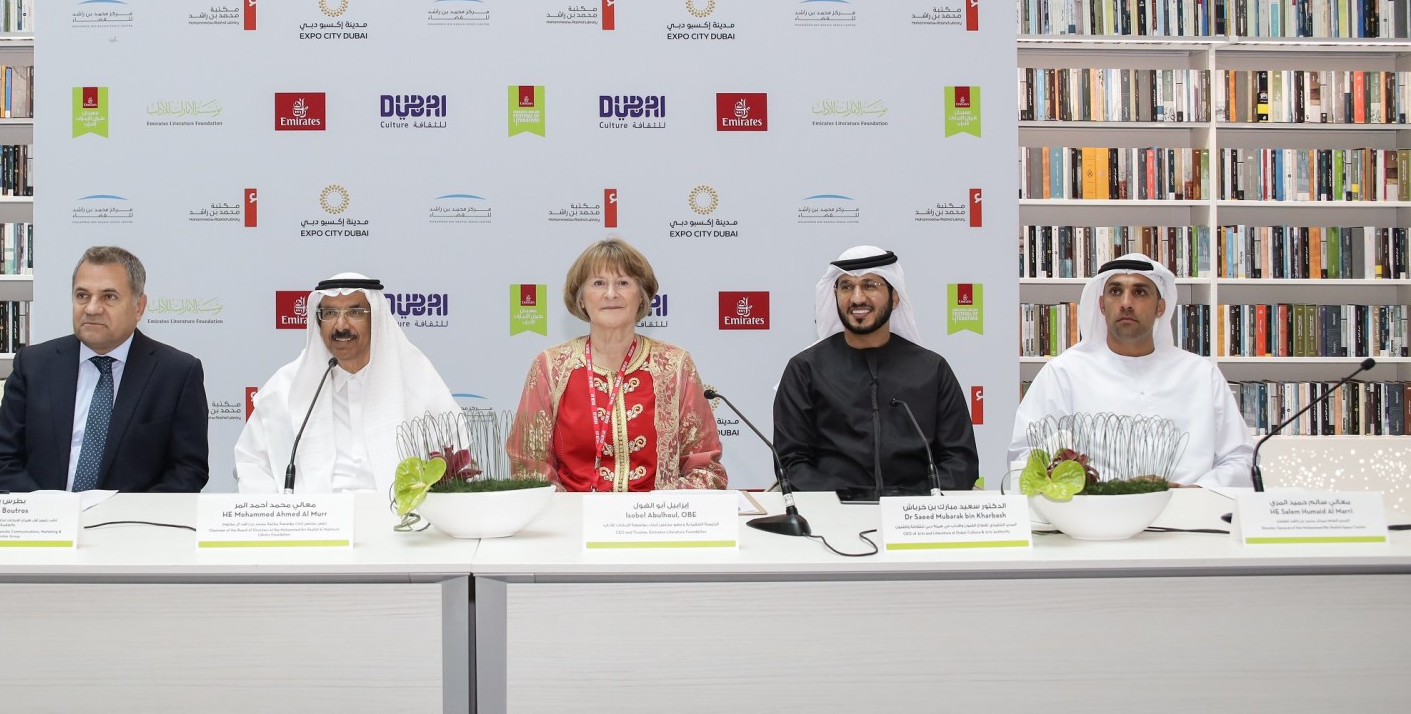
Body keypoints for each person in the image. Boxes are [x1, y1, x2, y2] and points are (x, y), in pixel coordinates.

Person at [1006, 254, 1253, 488]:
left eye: (1139, 292)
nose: (1126, 303)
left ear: (1160, 307)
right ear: (1102, 305)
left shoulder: (1201, 375)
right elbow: (1025, 458)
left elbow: (1241, 459)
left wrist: (1195, 491)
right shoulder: (1064, 373)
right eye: (1115, 292)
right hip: (1094, 515)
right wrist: (1104, 491)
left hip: (1190, 513)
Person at [507, 238, 726, 491]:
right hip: (574, 513)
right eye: (599, 283)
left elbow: (705, 469)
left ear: (641, 297)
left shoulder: (675, 365)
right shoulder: (550, 367)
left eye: (623, 283)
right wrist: (569, 509)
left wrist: (660, 507)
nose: (611, 293)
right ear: (581, 299)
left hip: (656, 514)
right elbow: (529, 468)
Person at [0, 246, 208, 492]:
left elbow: (188, 471)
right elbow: (3, 459)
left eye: (109, 297)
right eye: (82, 295)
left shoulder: (176, 373)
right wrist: (47, 508)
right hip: (44, 512)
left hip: (131, 516)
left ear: (139, 306)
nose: (92, 308)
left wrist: (127, 512)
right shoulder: (33, 364)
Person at [772, 245, 979, 495]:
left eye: (870, 285)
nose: (857, 298)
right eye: (846, 287)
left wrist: (911, 501)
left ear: (894, 297)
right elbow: (791, 463)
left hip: (915, 510)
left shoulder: (932, 370)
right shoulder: (805, 370)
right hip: (830, 510)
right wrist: (848, 500)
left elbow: (960, 461)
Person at [234, 273, 461, 495]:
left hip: (398, 516)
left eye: (355, 312)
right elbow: (251, 462)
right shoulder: (287, 387)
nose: (341, 325)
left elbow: (456, 459)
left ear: (375, 320)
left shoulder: (417, 383)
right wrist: (278, 513)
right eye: (330, 313)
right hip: (312, 516)